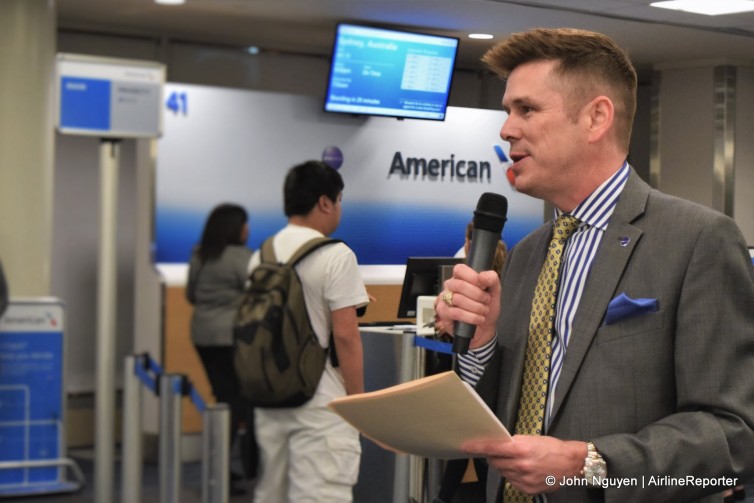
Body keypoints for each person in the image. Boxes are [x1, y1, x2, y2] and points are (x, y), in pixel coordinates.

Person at [434, 28, 754, 502]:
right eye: (507, 112)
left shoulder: (697, 241)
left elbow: (734, 437)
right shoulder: (526, 255)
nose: (506, 129)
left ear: (596, 117)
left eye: (527, 109)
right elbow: (507, 413)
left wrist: (591, 463)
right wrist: (481, 345)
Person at [251, 160, 369, 503]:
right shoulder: (336, 255)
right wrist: (358, 403)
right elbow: (346, 337)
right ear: (324, 203)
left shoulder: (261, 255)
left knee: (273, 493)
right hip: (322, 407)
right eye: (340, 199)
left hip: (271, 402)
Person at [434, 222, 507, 503]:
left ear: (468, 242)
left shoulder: (498, 270)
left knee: (473, 437)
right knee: (473, 438)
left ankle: (444, 496)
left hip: (480, 368)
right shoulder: (463, 273)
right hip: (474, 359)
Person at [186, 202, 256, 495]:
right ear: (235, 228)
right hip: (231, 336)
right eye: (244, 223)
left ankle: (220, 470)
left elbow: (191, 294)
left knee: (223, 396)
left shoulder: (200, 254)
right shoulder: (242, 257)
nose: (247, 229)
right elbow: (257, 294)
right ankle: (231, 470)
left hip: (202, 334)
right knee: (237, 401)